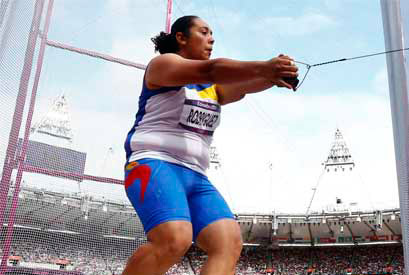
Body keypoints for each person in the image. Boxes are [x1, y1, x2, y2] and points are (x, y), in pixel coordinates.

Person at [121, 15, 298, 275]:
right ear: (181, 37)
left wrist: (275, 76)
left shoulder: (212, 86)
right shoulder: (162, 64)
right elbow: (211, 69)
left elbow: (241, 87)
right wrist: (264, 67)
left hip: (196, 176)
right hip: (154, 163)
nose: (211, 38)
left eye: (212, 33)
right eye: (204, 32)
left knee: (228, 242)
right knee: (175, 239)